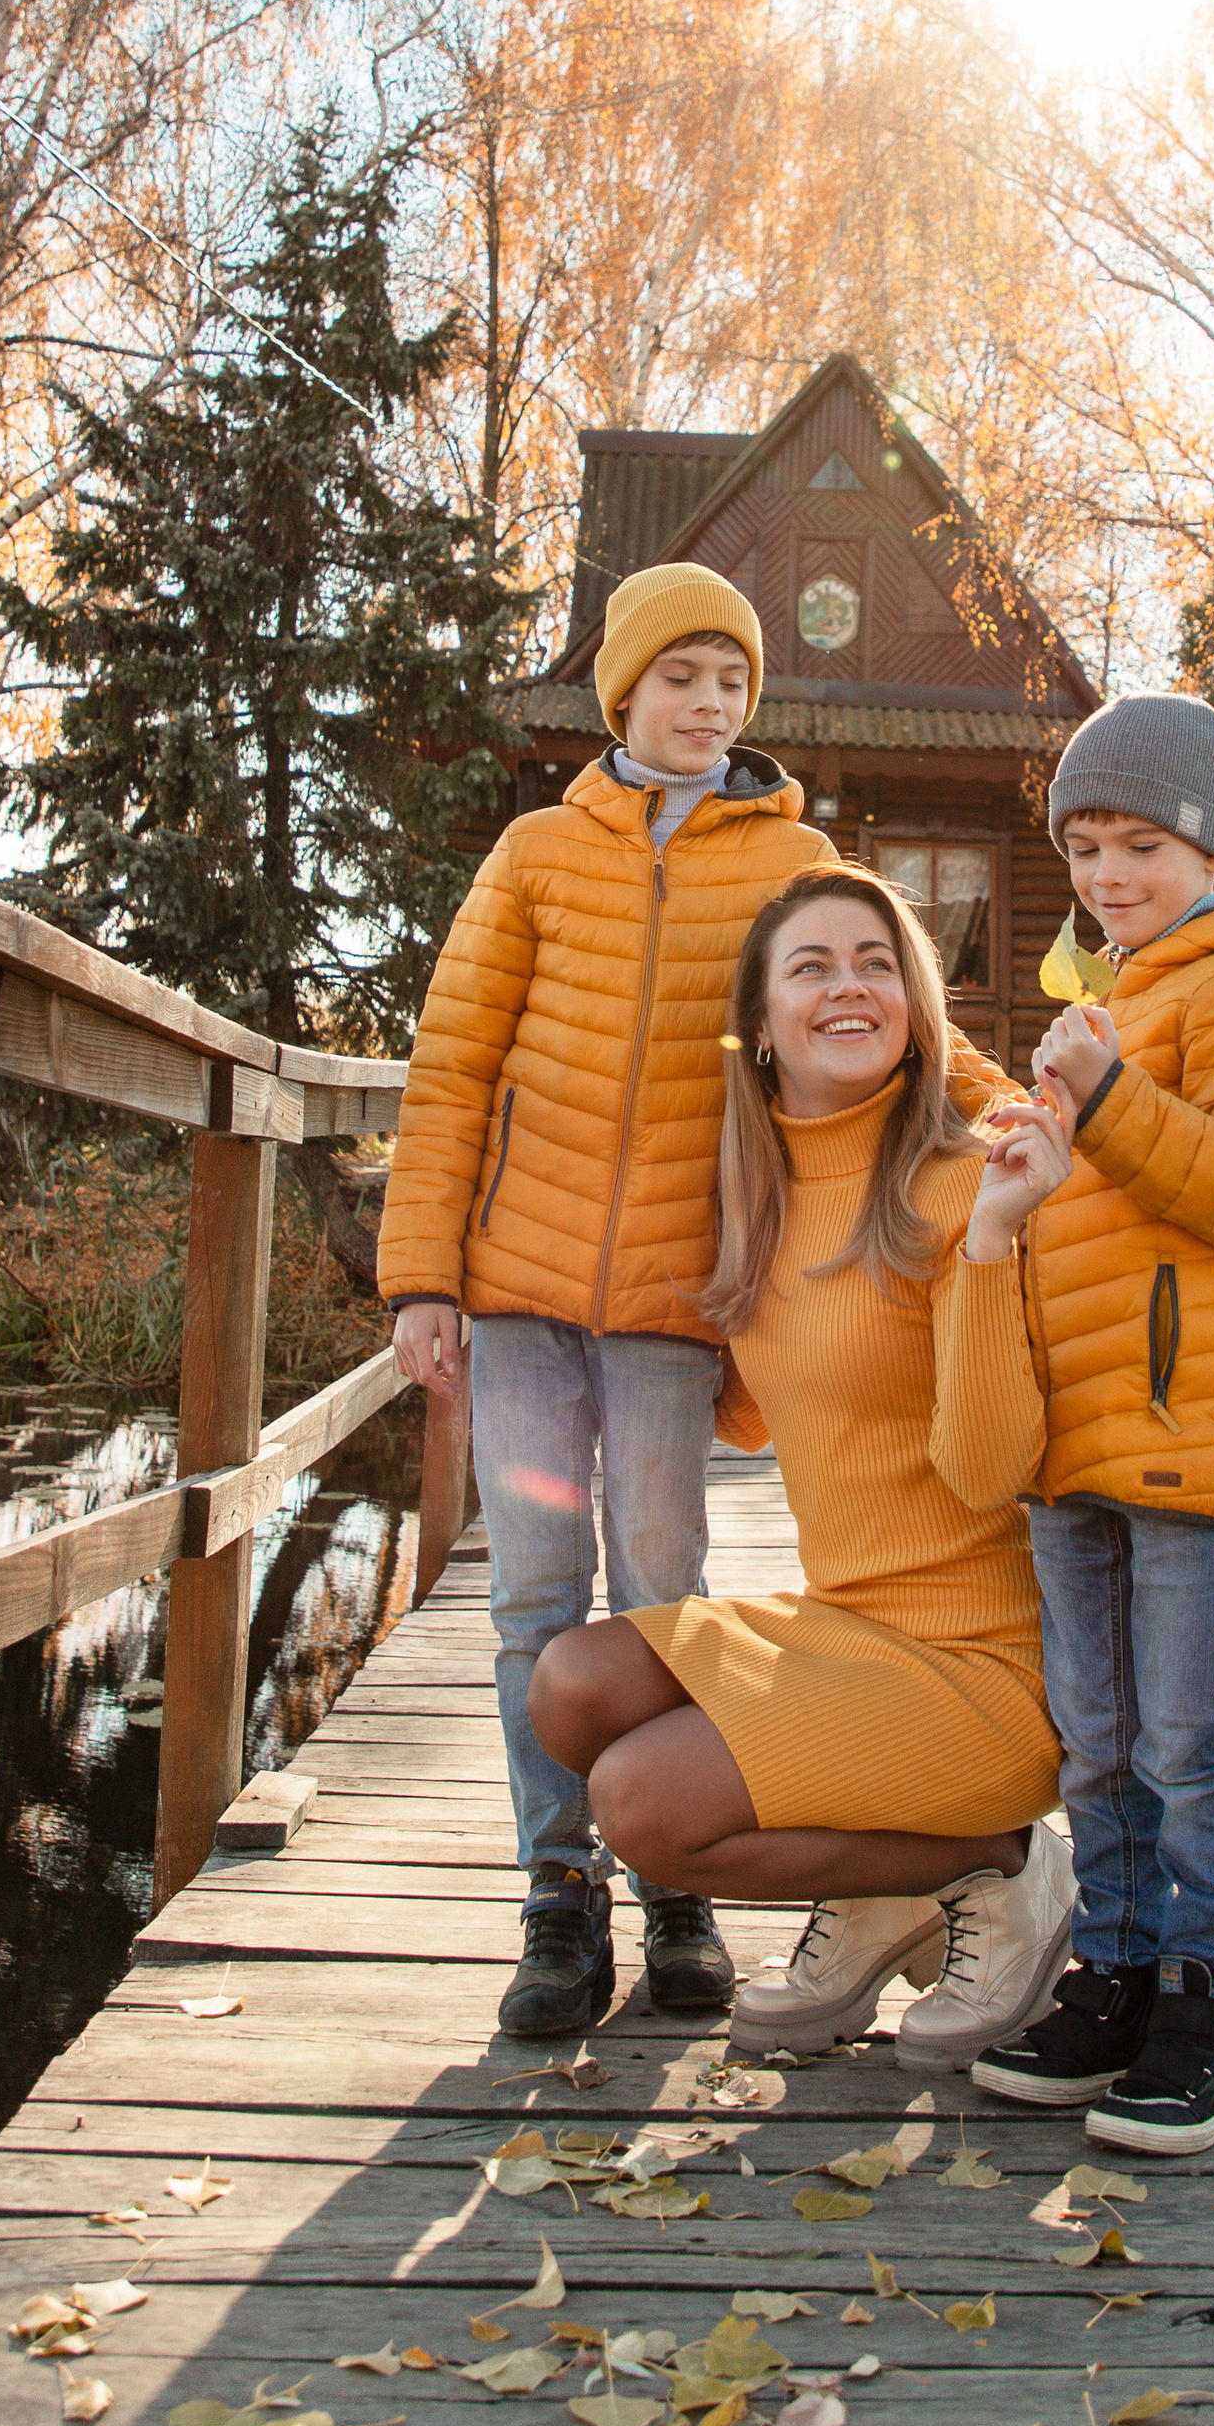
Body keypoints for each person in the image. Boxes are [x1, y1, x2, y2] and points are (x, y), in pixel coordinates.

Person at [376, 559, 845, 2040]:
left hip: (666, 1304)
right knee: (531, 1598)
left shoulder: (792, 859)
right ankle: (556, 1894)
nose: (709, 707)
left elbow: (865, 1005)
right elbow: (452, 1068)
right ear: (623, 689)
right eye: (683, 678)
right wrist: (423, 1277)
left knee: (658, 1593)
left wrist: (1002, 1110)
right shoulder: (533, 854)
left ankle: (673, 1883)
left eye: (734, 684)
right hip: (515, 1296)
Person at [523, 868, 1080, 2070]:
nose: (848, 987)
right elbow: (755, 1417)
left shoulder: (960, 1182)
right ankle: (882, 1888)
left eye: (877, 963)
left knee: (644, 1807)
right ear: (761, 1026)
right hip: (845, 1623)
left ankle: (996, 1862)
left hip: (980, 1663)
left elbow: (990, 1474)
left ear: (918, 1006)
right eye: (811, 968)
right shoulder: (757, 1189)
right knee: (570, 1684)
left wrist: (990, 1243)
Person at [966, 690, 1214, 2154]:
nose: (1111, 875)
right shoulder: (1121, 989)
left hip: (1189, 1420)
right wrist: (1050, 1145)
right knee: (1100, 1738)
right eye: (1087, 848)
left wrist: (1107, 1098)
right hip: (1081, 1428)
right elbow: (1116, 1191)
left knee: (1189, 1738)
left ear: (1210, 850)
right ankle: (1117, 1973)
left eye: (1142, 847)